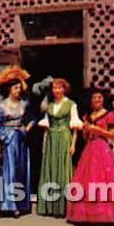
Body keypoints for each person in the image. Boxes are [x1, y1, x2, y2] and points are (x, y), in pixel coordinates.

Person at [67, 89, 114, 226]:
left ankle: (105, 216)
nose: (96, 100)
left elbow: (113, 135)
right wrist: (86, 130)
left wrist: (99, 131)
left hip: (102, 148)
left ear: (103, 100)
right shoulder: (87, 116)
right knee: (89, 180)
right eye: (94, 98)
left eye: (99, 97)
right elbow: (85, 137)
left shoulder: (109, 115)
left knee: (103, 181)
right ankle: (88, 216)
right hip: (90, 149)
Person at [37, 78, 83, 218]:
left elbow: (75, 127)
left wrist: (73, 144)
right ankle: (50, 207)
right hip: (51, 138)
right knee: (50, 169)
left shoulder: (71, 104)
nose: (56, 90)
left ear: (64, 89)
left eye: (59, 88)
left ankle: (63, 207)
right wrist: (45, 143)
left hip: (64, 137)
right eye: (54, 88)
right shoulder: (50, 105)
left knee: (63, 170)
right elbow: (46, 126)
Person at [0, 66, 34, 217]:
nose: (18, 90)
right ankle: (8, 205)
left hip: (21, 139)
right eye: (15, 88)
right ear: (9, 89)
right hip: (8, 139)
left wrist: (27, 128)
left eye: (19, 88)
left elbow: (33, 118)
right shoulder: (0, 106)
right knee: (9, 171)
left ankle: (21, 204)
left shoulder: (24, 104)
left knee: (21, 170)